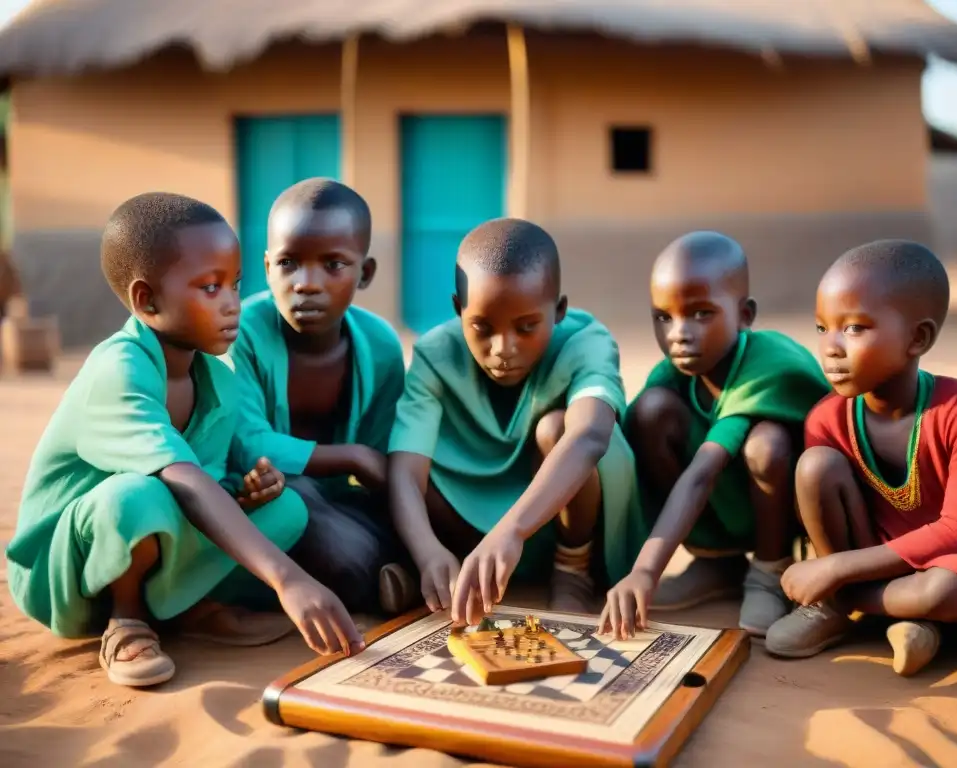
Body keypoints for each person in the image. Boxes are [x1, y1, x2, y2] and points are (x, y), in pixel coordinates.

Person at [5, 192, 364, 688]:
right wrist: (289, 579)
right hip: (67, 574)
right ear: (147, 300)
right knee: (137, 493)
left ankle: (185, 608)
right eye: (211, 287)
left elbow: (225, 470)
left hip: (160, 538)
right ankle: (127, 621)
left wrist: (252, 484)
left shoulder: (216, 377)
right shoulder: (119, 369)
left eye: (236, 285)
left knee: (288, 510)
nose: (233, 304)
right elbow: (183, 479)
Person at [767, 239, 957, 676]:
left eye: (853, 328)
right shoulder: (828, 418)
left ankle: (849, 604)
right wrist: (836, 562)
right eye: (821, 327)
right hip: (885, 561)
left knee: (943, 589)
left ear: (917, 337)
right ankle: (907, 625)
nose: (830, 347)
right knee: (815, 466)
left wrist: (835, 570)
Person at [387, 217, 647, 624]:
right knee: (380, 465)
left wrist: (511, 531)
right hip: (477, 528)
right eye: (482, 327)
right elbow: (406, 468)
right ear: (458, 310)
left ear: (559, 310)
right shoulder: (435, 354)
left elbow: (590, 435)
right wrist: (427, 550)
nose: (503, 349)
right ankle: (440, 569)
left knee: (556, 429)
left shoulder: (587, 341)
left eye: (526, 327)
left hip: (551, 521)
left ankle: (571, 569)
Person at [599, 232, 830, 640]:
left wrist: (644, 572)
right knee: (651, 412)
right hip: (722, 503)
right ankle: (717, 562)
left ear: (745, 314)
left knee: (766, 444)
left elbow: (703, 472)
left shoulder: (770, 364)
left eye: (701, 314)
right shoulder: (674, 375)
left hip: (786, 507)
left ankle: (769, 570)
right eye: (663, 317)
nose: (678, 334)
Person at [229, 177, 416, 615]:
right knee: (310, 518)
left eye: (333, 265)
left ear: (364, 273)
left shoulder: (380, 345)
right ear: (267, 266)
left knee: (417, 508)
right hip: (260, 498)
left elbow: (388, 455)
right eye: (289, 263)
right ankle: (380, 578)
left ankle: (389, 571)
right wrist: (350, 457)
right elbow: (246, 441)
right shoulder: (241, 335)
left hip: (338, 502)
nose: (307, 284)